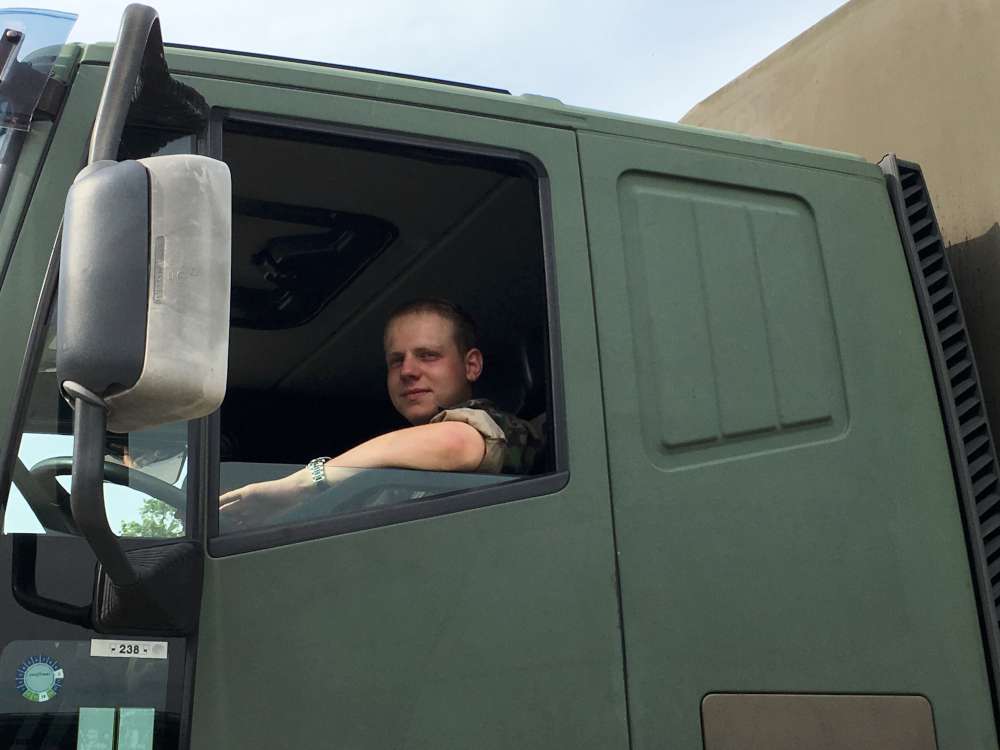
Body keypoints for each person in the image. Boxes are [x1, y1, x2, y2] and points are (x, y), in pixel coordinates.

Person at [219, 299, 543, 521]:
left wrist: (302, 484)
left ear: (471, 365)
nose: (408, 371)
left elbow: (457, 442)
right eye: (396, 360)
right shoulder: (386, 469)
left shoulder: (503, 428)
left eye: (428, 356)